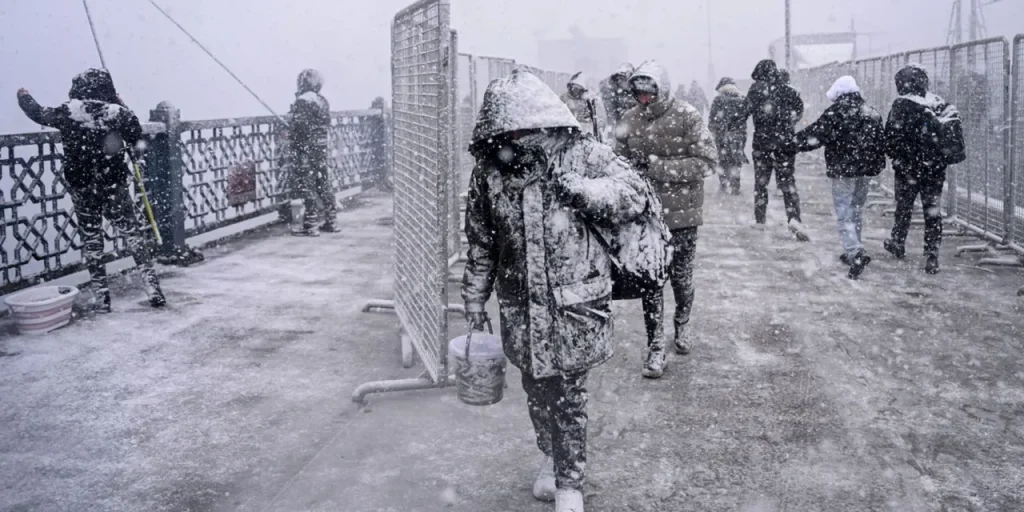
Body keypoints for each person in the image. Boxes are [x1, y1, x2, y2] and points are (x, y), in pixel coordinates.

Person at [462, 69, 648, 512]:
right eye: (509, 130)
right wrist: (474, 296)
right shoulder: (488, 174)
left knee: (569, 395)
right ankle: (550, 455)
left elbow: (633, 193)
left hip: (573, 306)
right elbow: (482, 240)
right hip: (521, 307)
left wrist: (581, 191)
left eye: (523, 128)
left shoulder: (581, 155)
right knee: (535, 388)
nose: (517, 138)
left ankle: (570, 482)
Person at [16, 69, 165, 312]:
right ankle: (153, 289)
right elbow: (137, 138)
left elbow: (39, 114)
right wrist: (121, 103)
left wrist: (24, 97)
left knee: (93, 243)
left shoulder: (68, 111)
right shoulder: (117, 113)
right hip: (113, 185)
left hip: (82, 187)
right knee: (133, 236)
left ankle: (102, 299)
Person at [614, 60, 718, 378]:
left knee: (681, 280)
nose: (644, 100)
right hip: (643, 217)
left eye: (649, 94)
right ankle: (656, 346)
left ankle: (681, 325)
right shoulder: (628, 120)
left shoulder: (687, 116)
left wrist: (658, 167)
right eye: (638, 94)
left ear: (662, 89)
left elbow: (707, 162)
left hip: (681, 215)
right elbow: (616, 159)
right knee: (651, 282)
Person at [794, 76, 886, 279]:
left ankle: (854, 251)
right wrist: (875, 166)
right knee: (856, 210)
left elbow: (815, 135)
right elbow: (881, 144)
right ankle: (854, 248)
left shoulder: (836, 113)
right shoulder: (871, 113)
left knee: (844, 213)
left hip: (843, 170)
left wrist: (792, 144)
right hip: (864, 171)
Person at [883, 64, 965, 274]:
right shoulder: (938, 103)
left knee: (904, 207)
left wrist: (897, 156)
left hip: (908, 168)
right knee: (932, 211)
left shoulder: (901, 105)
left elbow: (891, 137)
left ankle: (898, 241)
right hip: (934, 169)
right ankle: (932, 254)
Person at [744, 59, 808, 241]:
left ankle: (760, 220)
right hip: (785, 143)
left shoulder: (755, 91)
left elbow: (743, 112)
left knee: (761, 183)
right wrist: (787, 124)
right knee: (788, 183)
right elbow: (799, 110)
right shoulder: (789, 91)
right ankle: (794, 219)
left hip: (762, 143)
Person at [289, 69, 337, 236]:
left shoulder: (302, 101)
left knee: (308, 186)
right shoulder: (323, 101)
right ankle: (332, 221)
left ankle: (311, 225)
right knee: (324, 184)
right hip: (321, 148)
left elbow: (299, 129)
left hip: (307, 150)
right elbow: (325, 122)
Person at [709, 77, 749, 195]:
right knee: (736, 160)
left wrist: (713, 130)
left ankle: (724, 183)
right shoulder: (742, 99)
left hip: (722, 134)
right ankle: (735, 185)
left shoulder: (718, 99)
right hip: (739, 135)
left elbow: (712, 119)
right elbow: (745, 117)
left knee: (723, 160)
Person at [560, 72, 606, 140]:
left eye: (578, 89)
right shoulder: (563, 98)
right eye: (573, 88)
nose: (575, 91)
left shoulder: (591, 101)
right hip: (566, 133)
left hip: (586, 134)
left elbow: (601, 119)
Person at [598, 63, 637, 129]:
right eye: (618, 79)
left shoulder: (637, 91)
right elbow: (611, 114)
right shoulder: (611, 92)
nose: (619, 81)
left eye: (622, 78)